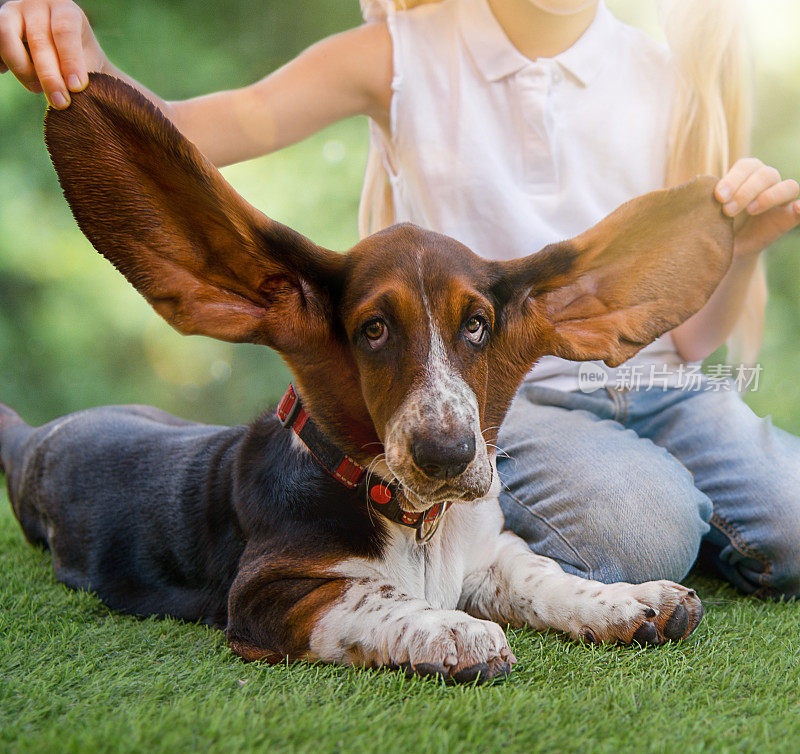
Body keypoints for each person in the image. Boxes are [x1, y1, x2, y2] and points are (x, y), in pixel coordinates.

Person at [2, 0, 799, 596]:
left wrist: (743, 248)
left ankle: (677, 500)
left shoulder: (666, 74)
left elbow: (689, 343)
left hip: (661, 388)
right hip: (497, 408)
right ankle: (622, 516)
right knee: (642, 534)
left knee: (791, 528)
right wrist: (79, 52)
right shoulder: (400, 53)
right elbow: (177, 134)